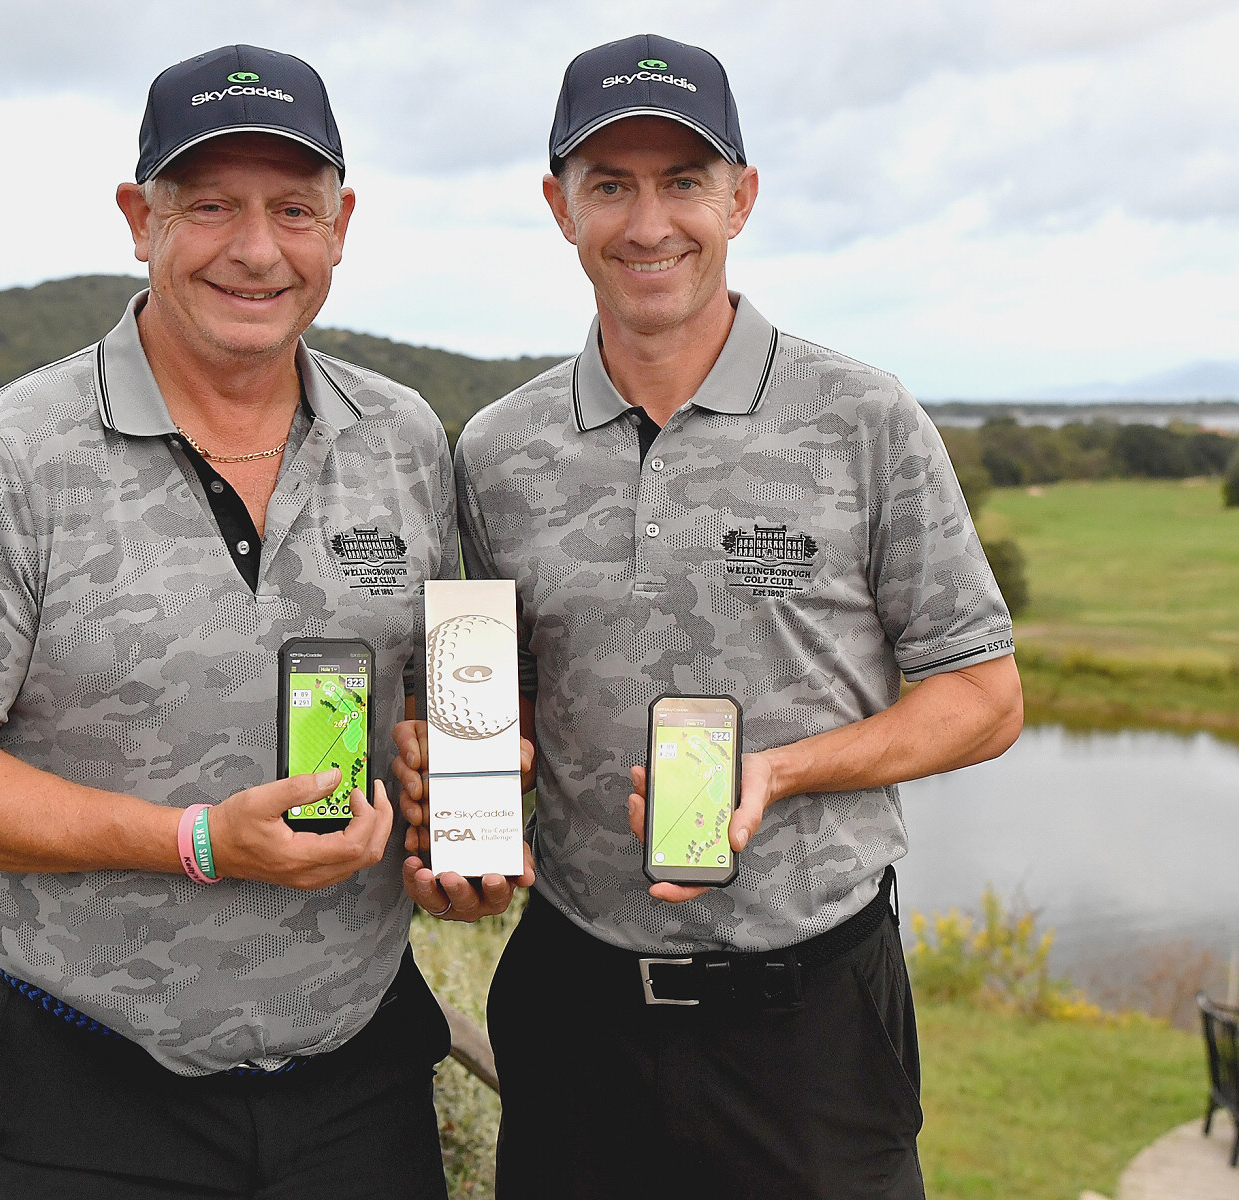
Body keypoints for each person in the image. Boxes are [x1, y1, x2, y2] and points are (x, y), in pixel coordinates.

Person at [400, 33, 1024, 1199]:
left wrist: (779, 774)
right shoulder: (496, 448)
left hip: (811, 1021)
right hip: (574, 1007)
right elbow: (498, 701)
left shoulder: (863, 418)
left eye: (682, 181)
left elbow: (983, 700)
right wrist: (454, 824)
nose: (648, 223)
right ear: (559, 206)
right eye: (609, 185)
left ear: (741, 198)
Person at [0, 44, 457, 1200]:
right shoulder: (11, 456)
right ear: (139, 220)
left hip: (360, 1086)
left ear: (340, 226)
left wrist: (446, 800)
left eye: (293, 209)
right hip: (84, 1096)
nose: (256, 248)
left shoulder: (404, 439)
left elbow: (430, 698)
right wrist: (197, 841)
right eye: (210, 205)